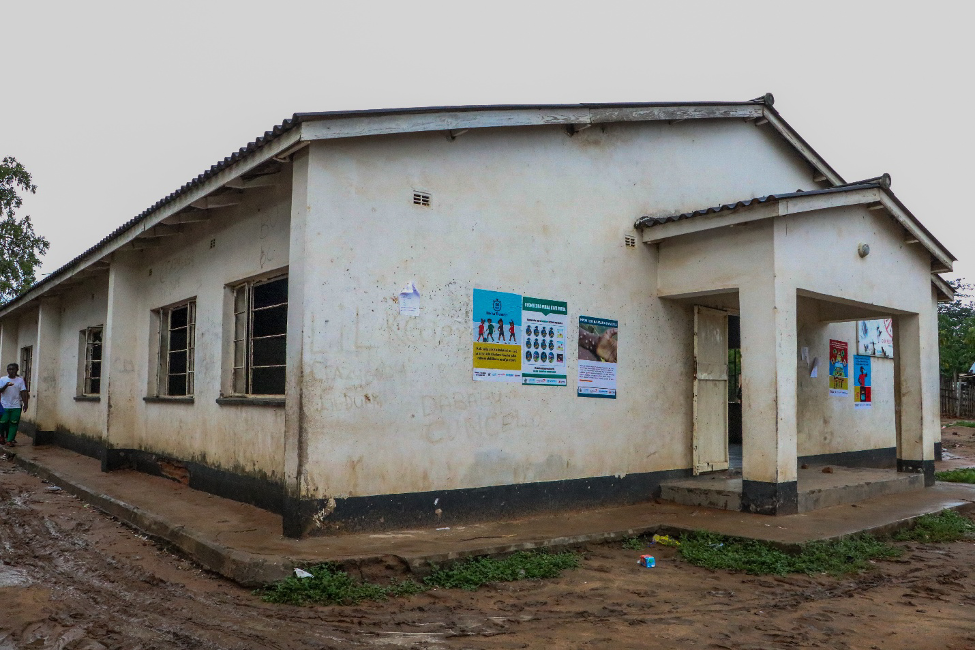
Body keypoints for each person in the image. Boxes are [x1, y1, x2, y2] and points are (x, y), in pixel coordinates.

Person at [1, 363, 28, 447]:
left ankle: (10, 440)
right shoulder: (3, 379)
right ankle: (2, 436)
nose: (11, 371)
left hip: (16, 406)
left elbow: (23, 392)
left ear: (17, 370)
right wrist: (6, 385)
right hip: (4, 405)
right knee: (3, 422)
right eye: (9, 369)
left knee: (14, 423)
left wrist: (25, 403)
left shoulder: (20, 380)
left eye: (13, 369)